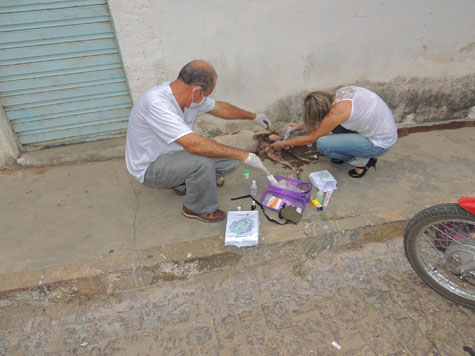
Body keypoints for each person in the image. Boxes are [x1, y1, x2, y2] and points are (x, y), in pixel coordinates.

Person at [126, 60, 271, 222]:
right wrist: (246, 156)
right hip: (150, 167)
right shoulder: (156, 103)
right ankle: (197, 208)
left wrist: (255, 117)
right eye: (205, 95)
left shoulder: (186, 93)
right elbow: (195, 146)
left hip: (175, 155)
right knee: (203, 163)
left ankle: (181, 183)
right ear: (196, 90)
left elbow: (221, 108)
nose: (205, 100)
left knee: (230, 161)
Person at [271, 86, 397, 178]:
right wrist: (300, 125)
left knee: (323, 144)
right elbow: (327, 120)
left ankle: (363, 161)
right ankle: (351, 149)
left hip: (379, 144)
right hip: (377, 131)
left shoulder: (337, 113)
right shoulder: (340, 94)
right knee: (332, 129)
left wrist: (282, 144)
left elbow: (311, 138)